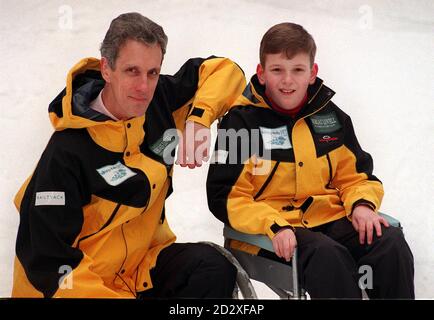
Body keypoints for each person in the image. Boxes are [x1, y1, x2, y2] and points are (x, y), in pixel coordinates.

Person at [12, 12, 246, 298]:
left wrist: (199, 117)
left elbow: (226, 70)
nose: (144, 87)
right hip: (81, 286)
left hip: (138, 272)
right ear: (106, 69)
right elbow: (48, 264)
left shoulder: (158, 101)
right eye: (132, 71)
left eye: (153, 72)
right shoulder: (67, 151)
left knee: (214, 268)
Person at [206, 22, 414, 299]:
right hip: (271, 231)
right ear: (262, 73)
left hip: (327, 220)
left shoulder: (330, 118)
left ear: (312, 73)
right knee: (328, 255)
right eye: (277, 70)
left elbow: (355, 177)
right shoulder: (240, 125)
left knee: (388, 242)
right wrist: (273, 224)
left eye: (298, 70)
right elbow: (225, 197)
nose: (287, 80)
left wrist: (362, 204)